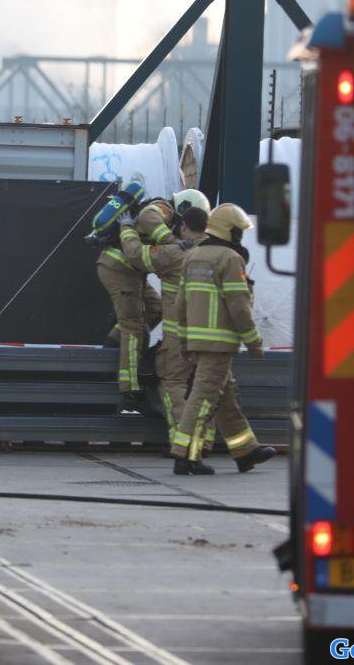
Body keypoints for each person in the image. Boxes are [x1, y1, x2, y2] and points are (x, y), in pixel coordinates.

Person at [170, 203, 278, 475]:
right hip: (220, 343)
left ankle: (245, 450)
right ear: (228, 231)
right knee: (203, 398)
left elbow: (180, 304)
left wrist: (183, 342)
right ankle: (185, 456)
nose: (240, 238)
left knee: (226, 396)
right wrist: (254, 341)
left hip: (198, 341)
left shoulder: (192, 257)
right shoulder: (230, 260)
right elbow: (238, 305)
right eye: (238, 232)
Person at [120, 202, 210, 446]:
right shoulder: (221, 254)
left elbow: (136, 255)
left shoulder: (174, 254)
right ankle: (204, 444)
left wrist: (127, 226)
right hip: (213, 339)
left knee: (173, 384)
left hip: (179, 339)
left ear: (184, 226)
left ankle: (182, 443)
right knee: (207, 391)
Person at [96, 207, 163, 415]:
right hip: (118, 268)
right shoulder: (157, 218)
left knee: (155, 308)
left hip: (133, 271)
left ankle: (113, 346)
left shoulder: (162, 218)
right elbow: (140, 254)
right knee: (133, 327)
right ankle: (131, 390)